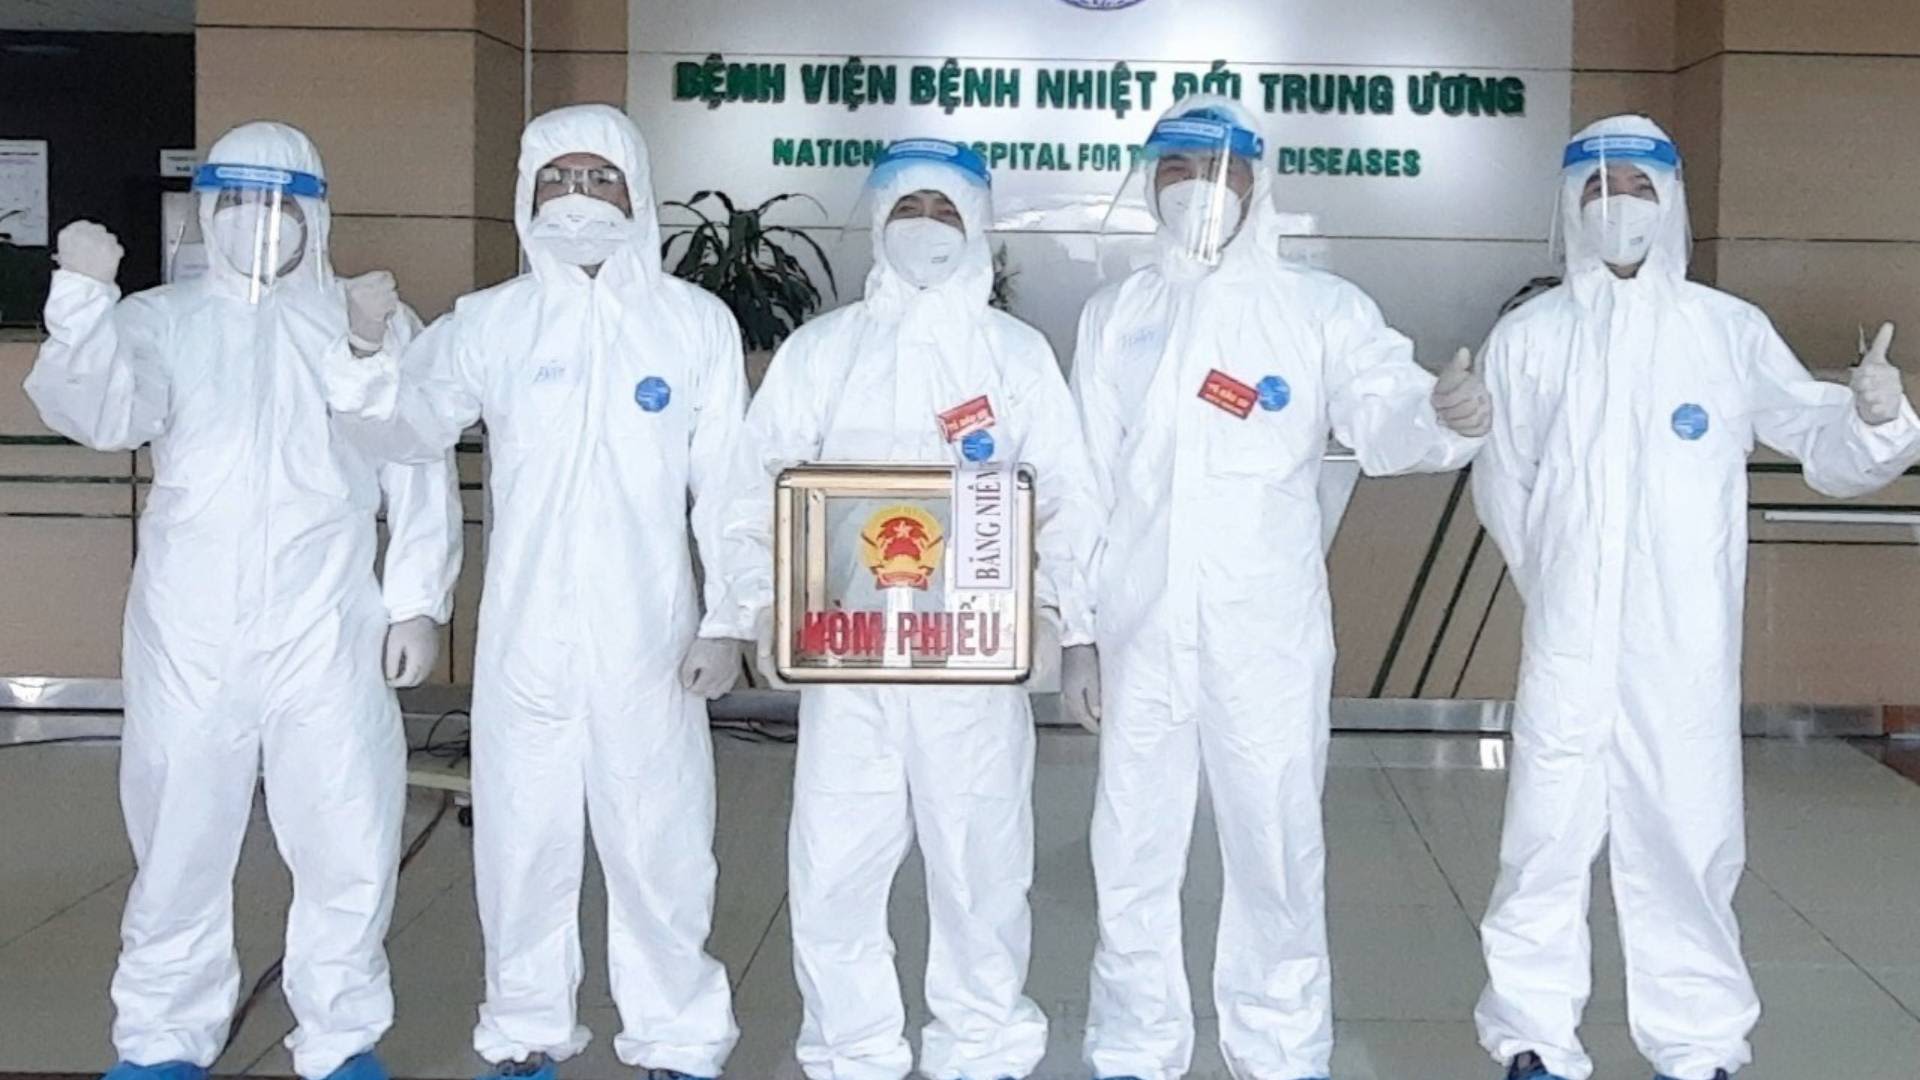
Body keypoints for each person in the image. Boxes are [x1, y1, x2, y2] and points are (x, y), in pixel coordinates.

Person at [1470, 114, 1920, 1080]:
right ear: (1570, 203)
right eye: (1598, 187)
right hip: (1568, 640)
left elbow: (1822, 439)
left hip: (1684, 645)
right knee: (1542, 838)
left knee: (1687, 835)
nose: (1618, 205)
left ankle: (1698, 1044)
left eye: (1638, 186)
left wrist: (1878, 417)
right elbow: (1504, 486)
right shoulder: (1529, 337)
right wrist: (1559, 585)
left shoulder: (1726, 330)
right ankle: (1532, 1038)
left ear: (1670, 198)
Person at [23, 121, 462, 1080]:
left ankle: (342, 1039)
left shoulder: (368, 319)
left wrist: (417, 600)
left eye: (278, 205)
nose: (256, 223)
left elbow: (417, 464)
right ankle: (159, 1040)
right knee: (179, 837)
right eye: (236, 203)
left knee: (346, 831)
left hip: (328, 620)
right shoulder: (163, 319)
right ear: (207, 209)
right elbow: (98, 415)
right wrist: (83, 302)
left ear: (315, 215)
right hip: (191, 625)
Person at [325, 104, 753, 1080]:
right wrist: (364, 354)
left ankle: (678, 1039)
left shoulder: (693, 324)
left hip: (651, 637)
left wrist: (729, 616)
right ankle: (524, 1032)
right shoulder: (491, 323)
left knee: (663, 844)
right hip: (526, 639)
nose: (578, 197)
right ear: (527, 193)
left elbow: (728, 483)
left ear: (638, 191)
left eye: (600, 178)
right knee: (522, 843)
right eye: (558, 179)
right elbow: (405, 434)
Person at [1069, 95, 1489, 1080]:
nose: (1197, 188)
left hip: (1266, 635)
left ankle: (1282, 1049)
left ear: (1259, 183)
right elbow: (1083, 481)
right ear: (1149, 184)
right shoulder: (1117, 315)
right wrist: (1077, 631)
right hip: (1139, 629)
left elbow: (1385, 409)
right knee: (1130, 850)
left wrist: (1442, 413)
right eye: (1175, 169)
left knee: (1276, 848)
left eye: (1218, 169)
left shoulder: (1318, 309)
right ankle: (1133, 1046)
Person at [739, 137, 1102, 1080]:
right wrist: (762, 606)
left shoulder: (1014, 355)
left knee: (982, 868)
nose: (927, 228)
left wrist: (1059, 615)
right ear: (878, 221)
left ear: (978, 226)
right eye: (910, 209)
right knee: (835, 868)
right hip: (847, 664)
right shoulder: (824, 351)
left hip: (973, 669)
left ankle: (981, 1048)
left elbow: (1066, 494)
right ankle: (849, 1050)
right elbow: (758, 484)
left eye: (946, 211)